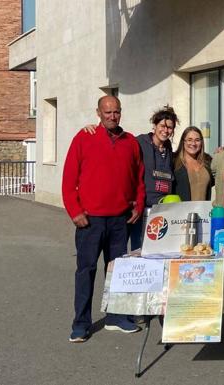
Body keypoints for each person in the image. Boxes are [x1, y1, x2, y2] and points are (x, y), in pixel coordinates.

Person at [62, 96, 145, 342]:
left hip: (120, 220)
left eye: (116, 111)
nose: (112, 116)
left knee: (118, 272)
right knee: (85, 271)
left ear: (121, 113)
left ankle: (116, 317)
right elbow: (69, 179)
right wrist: (74, 211)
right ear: (98, 112)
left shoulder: (130, 142)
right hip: (90, 221)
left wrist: (138, 204)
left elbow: (138, 178)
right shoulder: (84, 138)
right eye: (107, 112)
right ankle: (81, 324)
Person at [80, 105, 179, 250]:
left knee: (158, 251)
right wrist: (94, 129)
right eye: (162, 126)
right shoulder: (140, 142)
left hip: (162, 210)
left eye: (170, 128)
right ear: (154, 125)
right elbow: (118, 142)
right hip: (142, 209)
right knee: (139, 250)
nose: (165, 130)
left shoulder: (169, 149)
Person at [173, 126, 213, 201]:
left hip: (203, 211)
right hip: (180, 210)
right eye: (189, 140)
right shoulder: (173, 161)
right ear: (183, 141)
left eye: (197, 140)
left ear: (201, 142)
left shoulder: (208, 161)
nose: (193, 143)